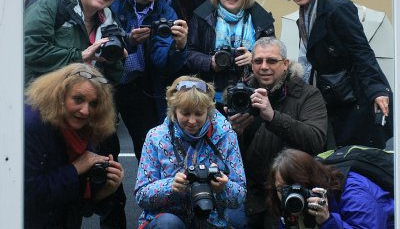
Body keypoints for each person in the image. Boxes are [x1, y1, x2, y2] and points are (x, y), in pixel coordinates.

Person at [24, 0, 127, 228]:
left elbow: (111, 78)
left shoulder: (108, 19)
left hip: (84, 112)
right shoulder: (52, 6)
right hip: (47, 109)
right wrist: (80, 56)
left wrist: (116, 59)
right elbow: (28, 50)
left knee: (83, 181)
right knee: (40, 180)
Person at [275, 0, 393, 149]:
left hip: (355, 95)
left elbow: (361, 51)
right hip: (334, 95)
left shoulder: (337, 8)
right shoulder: (306, 12)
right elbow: (307, 58)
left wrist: (377, 90)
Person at [225, 37, 327, 229]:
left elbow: (316, 141)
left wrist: (273, 117)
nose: (264, 67)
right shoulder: (238, 95)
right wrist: (234, 133)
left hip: (290, 190)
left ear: (286, 64)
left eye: (271, 61)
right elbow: (224, 156)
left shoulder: (308, 94)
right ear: (251, 64)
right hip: (250, 192)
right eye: (258, 61)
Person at [135, 76, 246, 228]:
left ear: (209, 110)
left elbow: (239, 197)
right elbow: (141, 196)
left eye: (199, 114)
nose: (192, 121)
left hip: (212, 219)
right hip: (167, 218)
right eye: (185, 113)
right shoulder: (156, 137)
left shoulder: (226, 135)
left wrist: (223, 188)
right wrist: (170, 186)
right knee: (169, 224)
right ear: (173, 111)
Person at [24, 63, 125, 228]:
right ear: (59, 95)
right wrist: (77, 167)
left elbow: (76, 206)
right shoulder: (32, 126)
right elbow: (27, 194)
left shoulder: (82, 127)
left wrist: (104, 190)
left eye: (94, 104)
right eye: (78, 99)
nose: (85, 111)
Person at [111, 0, 189, 161]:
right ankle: (110, 193)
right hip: (107, 81)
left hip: (139, 83)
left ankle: (150, 191)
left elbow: (161, 61)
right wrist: (128, 42)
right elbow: (100, 41)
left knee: (149, 144)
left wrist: (179, 47)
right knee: (105, 145)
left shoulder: (166, 10)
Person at [186, 0, 275, 112]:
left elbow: (273, 55)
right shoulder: (202, 16)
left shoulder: (261, 19)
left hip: (252, 93)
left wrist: (254, 59)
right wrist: (210, 62)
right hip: (210, 94)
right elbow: (189, 52)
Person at [266, 148, 394, 228]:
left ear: (311, 181)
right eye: (282, 189)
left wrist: (328, 221)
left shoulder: (352, 193)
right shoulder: (289, 202)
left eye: (297, 187)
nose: (290, 195)